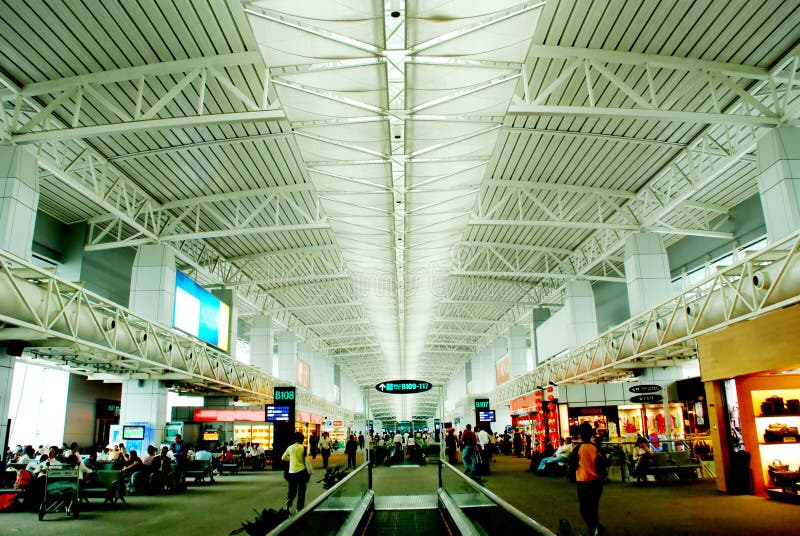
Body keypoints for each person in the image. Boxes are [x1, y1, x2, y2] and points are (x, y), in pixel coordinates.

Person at [570, 422, 605, 536]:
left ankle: (593, 527)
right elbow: (604, 463)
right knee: (593, 506)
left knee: (584, 508)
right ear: (591, 434)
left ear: (580, 434)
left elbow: (572, 466)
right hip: (597, 481)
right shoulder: (596, 448)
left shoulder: (577, 449)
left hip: (583, 481)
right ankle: (595, 527)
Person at [281, 432, 309, 514]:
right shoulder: (304, 448)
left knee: (292, 491)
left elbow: (283, 457)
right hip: (302, 471)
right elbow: (305, 460)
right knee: (301, 491)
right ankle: (299, 509)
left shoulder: (290, 447)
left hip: (292, 472)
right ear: (302, 439)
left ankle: (288, 507)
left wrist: (291, 459)